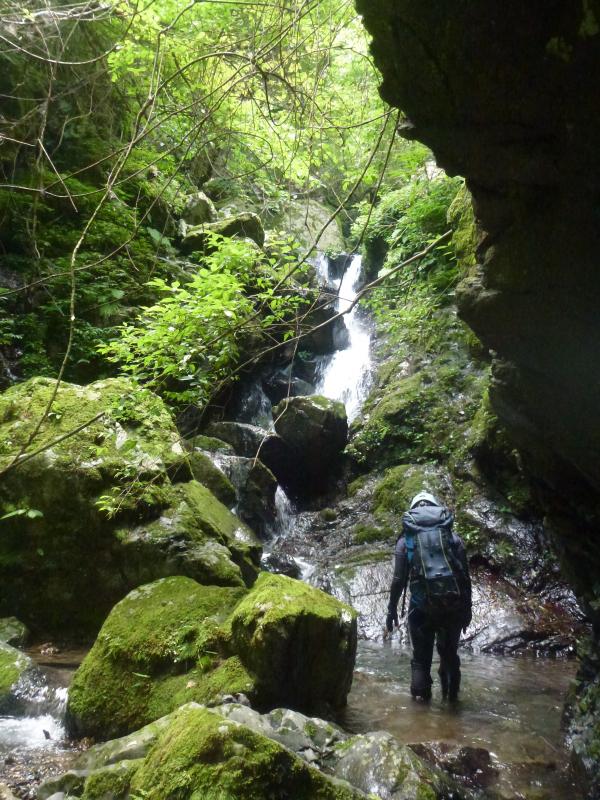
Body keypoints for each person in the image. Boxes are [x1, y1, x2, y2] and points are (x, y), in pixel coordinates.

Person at [385, 491, 472, 702]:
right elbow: (465, 578)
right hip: (452, 608)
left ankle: (420, 712)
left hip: (421, 608)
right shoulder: (452, 538)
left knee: (420, 661)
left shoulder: (406, 541)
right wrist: (467, 611)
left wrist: (392, 609)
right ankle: (452, 705)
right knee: (449, 655)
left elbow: (398, 580)